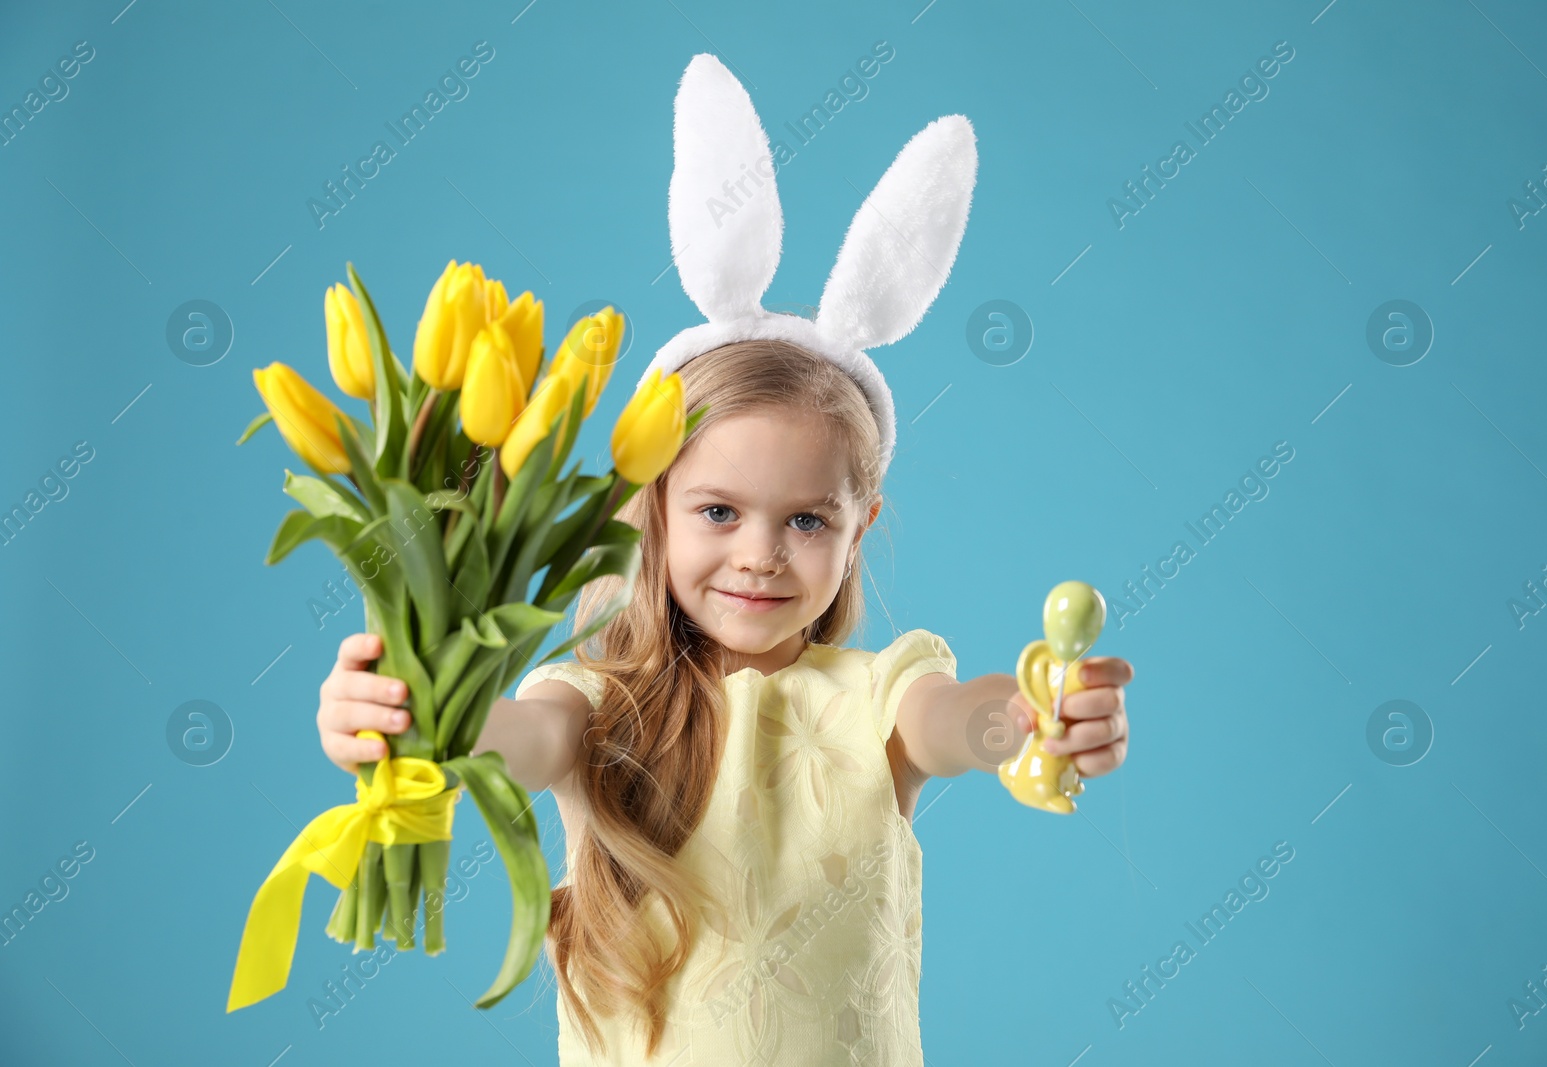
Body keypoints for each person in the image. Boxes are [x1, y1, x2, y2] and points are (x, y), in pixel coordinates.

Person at [316, 54, 1132, 1065]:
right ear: (647, 509)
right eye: (716, 509)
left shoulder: (874, 695)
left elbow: (956, 719)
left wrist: (1028, 717)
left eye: (805, 521)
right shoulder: (593, 706)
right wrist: (405, 711)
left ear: (859, 526)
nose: (759, 554)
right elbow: (505, 743)